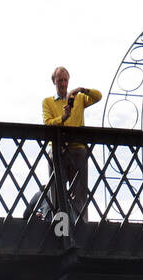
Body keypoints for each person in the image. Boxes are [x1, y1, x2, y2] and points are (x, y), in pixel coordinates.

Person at [42, 67, 101, 221]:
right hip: (57, 148)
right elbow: (47, 124)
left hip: (77, 148)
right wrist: (63, 117)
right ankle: (57, 223)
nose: (63, 83)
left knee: (80, 191)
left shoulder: (79, 98)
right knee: (56, 189)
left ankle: (80, 223)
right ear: (54, 82)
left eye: (65, 80)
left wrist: (82, 89)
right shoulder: (48, 102)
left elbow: (98, 96)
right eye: (59, 80)